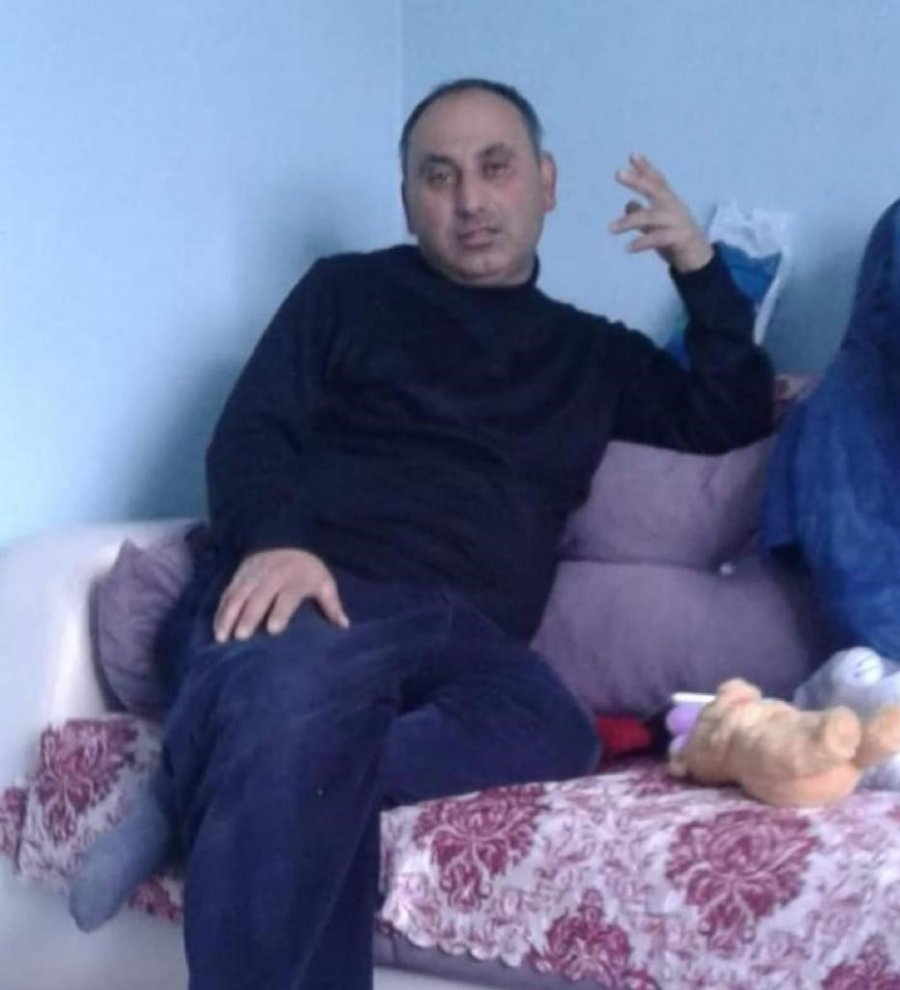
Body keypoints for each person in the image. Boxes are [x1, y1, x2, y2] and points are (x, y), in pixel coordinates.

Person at [69, 78, 773, 988]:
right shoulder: (345, 293)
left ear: (547, 182)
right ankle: (243, 745)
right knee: (295, 707)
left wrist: (700, 272)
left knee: (555, 729)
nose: (470, 199)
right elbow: (251, 433)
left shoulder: (590, 353)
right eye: (439, 176)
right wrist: (277, 544)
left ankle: (200, 772)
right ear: (408, 200)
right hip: (317, 595)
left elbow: (728, 416)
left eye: (495, 168)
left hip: (465, 638)